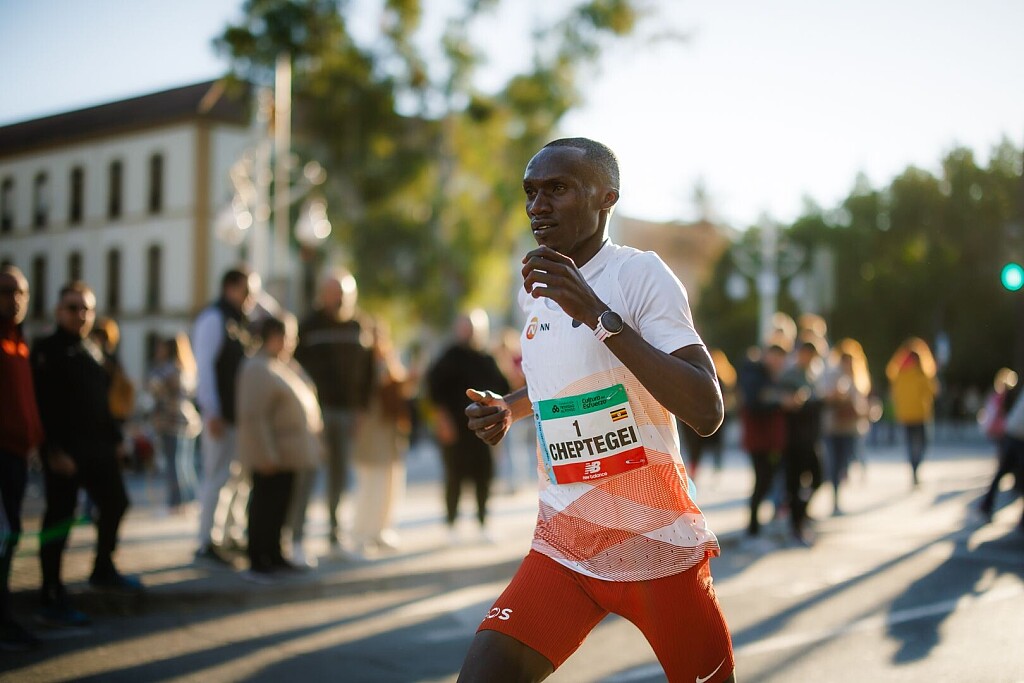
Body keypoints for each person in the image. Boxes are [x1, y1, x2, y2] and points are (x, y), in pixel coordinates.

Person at [458, 138, 734, 682]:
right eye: (530, 192)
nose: (538, 206)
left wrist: (595, 312)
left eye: (557, 189)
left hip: (655, 545)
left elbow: (706, 408)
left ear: (608, 196)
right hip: (566, 546)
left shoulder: (640, 275)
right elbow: (568, 382)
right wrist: (510, 408)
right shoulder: (536, 290)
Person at [31, 281, 143, 629]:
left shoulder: (93, 349)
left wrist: (117, 440)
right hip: (64, 454)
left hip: (98, 450)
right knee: (58, 522)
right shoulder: (45, 350)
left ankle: (103, 568)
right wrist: (52, 451)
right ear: (58, 311)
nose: (80, 315)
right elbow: (40, 406)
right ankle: (51, 593)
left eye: (87, 309)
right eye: (73, 308)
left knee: (117, 503)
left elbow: (102, 404)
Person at [236, 315, 323, 581]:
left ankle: (274, 554)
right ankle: (258, 559)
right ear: (275, 337)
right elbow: (254, 416)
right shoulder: (258, 368)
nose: (293, 343)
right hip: (273, 455)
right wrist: (266, 455)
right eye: (289, 337)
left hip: (287, 455)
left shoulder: (280, 365)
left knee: (279, 508)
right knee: (265, 506)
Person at [294, 270, 374, 557]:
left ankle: (335, 535)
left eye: (343, 293)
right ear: (323, 294)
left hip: (347, 412)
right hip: (314, 413)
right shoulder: (308, 326)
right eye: (334, 292)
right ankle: (297, 538)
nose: (339, 298)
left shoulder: (359, 326)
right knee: (308, 473)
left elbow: (368, 372)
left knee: (340, 476)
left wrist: (362, 409)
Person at [427, 309, 509, 543]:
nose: (469, 332)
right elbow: (433, 390)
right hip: (456, 428)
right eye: (465, 327)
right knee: (454, 477)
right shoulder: (449, 356)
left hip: (483, 429)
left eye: (473, 327)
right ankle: (451, 524)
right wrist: (442, 421)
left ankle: (483, 522)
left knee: (484, 476)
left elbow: (504, 389)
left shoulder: (488, 358)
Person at [192, 268, 254, 564]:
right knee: (217, 477)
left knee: (238, 479)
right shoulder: (213, 318)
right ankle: (208, 540)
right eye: (247, 291)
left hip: (238, 417)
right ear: (230, 288)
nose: (251, 298)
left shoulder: (239, 321)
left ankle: (231, 534)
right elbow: (204, 369)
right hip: (221, 416)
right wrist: (212, 411)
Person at [0, 266, 45, 649]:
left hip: (17, 456)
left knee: (10, 537)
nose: (14, 299)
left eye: (21, 292)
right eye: (6, 290)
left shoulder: (20, 341)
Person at [350, 321, 413, 554]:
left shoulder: (389, 360)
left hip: (389, 430)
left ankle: (381, 529)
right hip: (371, 428)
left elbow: (399, 389)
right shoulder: (362, 360)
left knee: (390, 481)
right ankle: (362, 532)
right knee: (371, 482)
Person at [737, 340, 788, 546]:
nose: (777, 362)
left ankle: (757, 526)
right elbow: (754, 403)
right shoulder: (755, 374)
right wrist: (778, 401)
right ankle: (752, 528)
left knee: (767, 481)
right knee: (762, 481)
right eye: (775, 357)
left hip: (769, 439)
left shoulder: (772, 376)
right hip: (758, 439)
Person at [778, 334, 826, 546]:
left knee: (818, 478)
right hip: (794, 439)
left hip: (811, 437)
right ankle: (795, 524)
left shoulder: (813, 375)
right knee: (794, 484)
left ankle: (800, 514)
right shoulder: (789, 376)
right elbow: (784, 403)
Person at [147, 333, 203, 512]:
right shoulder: (187, 369)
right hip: (189, 420)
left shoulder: (166, 369)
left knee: (174, 463)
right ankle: (190, 499)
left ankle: (176, 502)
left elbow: (153, 389)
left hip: (171, 421)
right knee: (185, 463)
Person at [820, 338, 871, 516]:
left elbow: (862, 401)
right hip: (833, 426)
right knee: (833, 463)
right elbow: (823, 395)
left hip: (851, 427)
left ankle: (838, 490)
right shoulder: (832, 375)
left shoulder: (859, 377)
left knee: (844, 462)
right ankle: (835, 498)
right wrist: (836, 395)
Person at [886, 337, 939, 487]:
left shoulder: (898, 372)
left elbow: (894, 394)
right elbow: (932, 391)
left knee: (911, 444)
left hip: (906, 414)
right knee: (923, 443)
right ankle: (916, 467)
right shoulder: (923, 373)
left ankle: (914, 468)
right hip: (921, 414)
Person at [679, 348, 737, 482]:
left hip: (693, 414)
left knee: (695, 448)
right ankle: (715, 468)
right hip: (712, 415)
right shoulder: (722, 375)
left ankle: (697, 470)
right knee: (714, 446)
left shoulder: (698, 372)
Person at [977, 367, 1020, 520]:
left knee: (1003, 469)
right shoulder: (1007, 395)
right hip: (1012, 434)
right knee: (1004, 468)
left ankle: (986, 504)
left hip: (1009, 433)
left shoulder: (1000, 394)